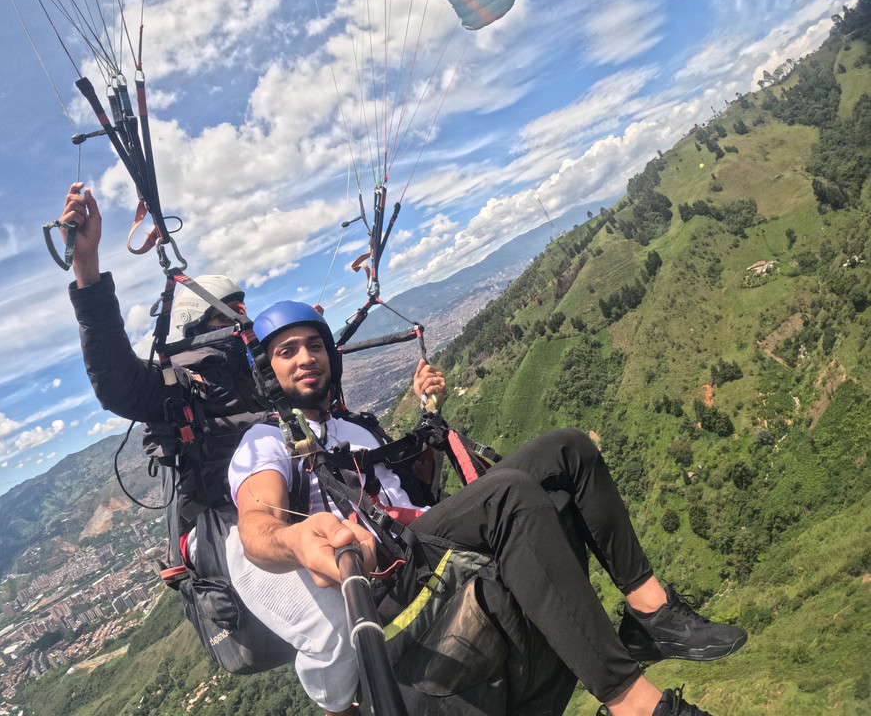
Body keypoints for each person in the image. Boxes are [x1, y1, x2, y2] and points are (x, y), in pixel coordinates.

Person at [227, 301, 747, 716]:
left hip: (427, 536)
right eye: (287, 351)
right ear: (269, 372)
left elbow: (418, 492)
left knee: (569, 449)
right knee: (510, 494)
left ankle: (651, 612)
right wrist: (296, 540)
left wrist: (429, 416)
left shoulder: (359, 425)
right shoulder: (267, 441)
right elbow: (256, 526)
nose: (305, 358)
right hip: (390, 574)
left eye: (314, 346)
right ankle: (633, 703)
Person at [59, 182, 268, 531]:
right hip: (225, 524)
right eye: (227, 314)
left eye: (243, 310)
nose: (242, 321)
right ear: (194, 324)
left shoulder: (259, 368)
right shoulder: (178, 384)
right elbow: (116, 380)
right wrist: (86, 265)